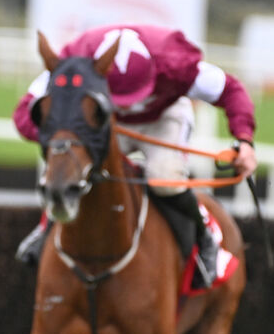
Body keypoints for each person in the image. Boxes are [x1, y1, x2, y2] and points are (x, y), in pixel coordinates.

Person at [13, 25, 257, 289]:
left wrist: (244, 140)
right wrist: (68, 140)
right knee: (74, 167)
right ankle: (46, 227)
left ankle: (205, 237)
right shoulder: (77, 60)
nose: (129, 106)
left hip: (164, 115)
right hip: (105, 118)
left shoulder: (175, 64)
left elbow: (231, 89)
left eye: (133, 98)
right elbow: (23, 114)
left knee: (164, 177)